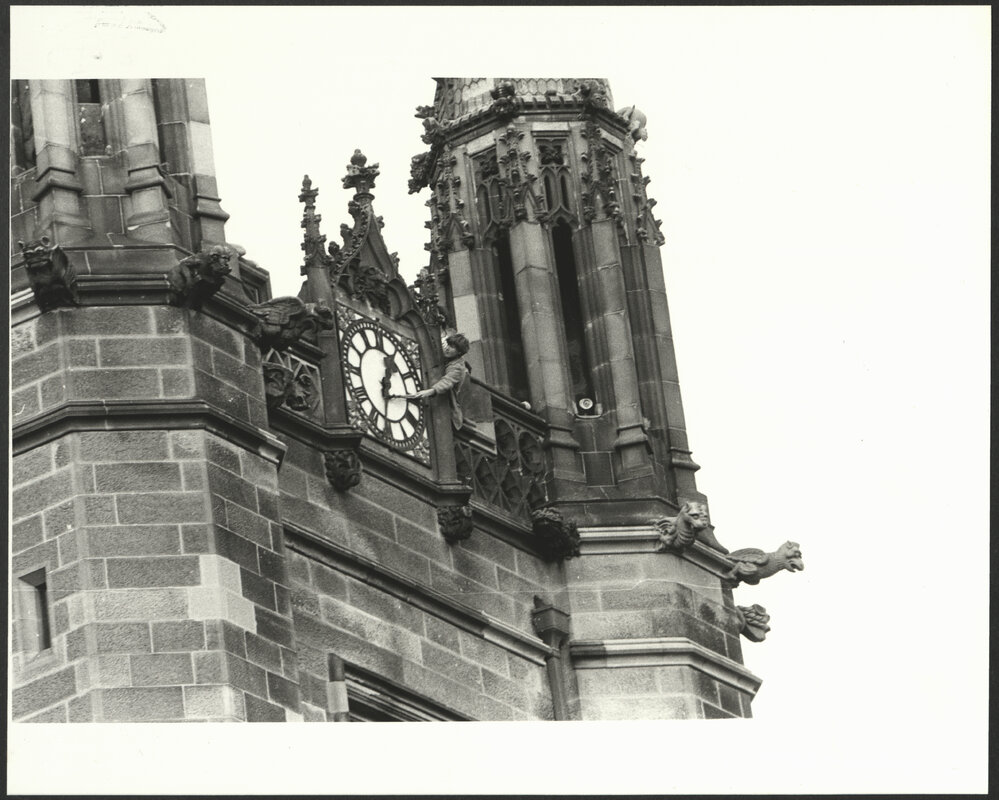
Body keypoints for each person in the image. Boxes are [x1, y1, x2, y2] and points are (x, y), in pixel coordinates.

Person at [396, 332, 470, 429]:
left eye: (452, 347)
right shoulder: (446, 354)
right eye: (448, 345)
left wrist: (430, 391)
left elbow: (447, 382)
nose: (447, 348)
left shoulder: (458, 367)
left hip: (445, 408)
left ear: (459, 352)